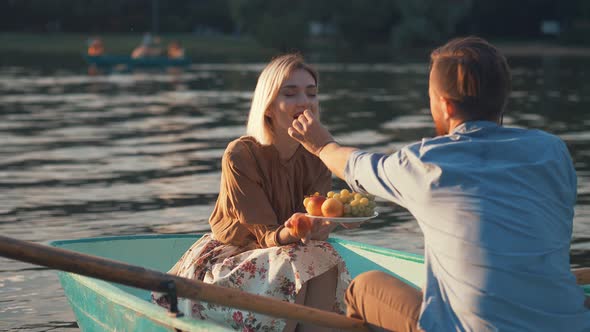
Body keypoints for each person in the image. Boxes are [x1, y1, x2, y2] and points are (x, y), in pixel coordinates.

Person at [288, 36, 590, 331]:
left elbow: (349, 162)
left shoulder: (426, 164)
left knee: (363, 286)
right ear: (502, 99)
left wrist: (318, 143)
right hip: (571, 323)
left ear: (445, 106)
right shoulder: (553, 152)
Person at [153, 54, 350, 332]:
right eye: (291, 93)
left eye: (312, 93)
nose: (305, 101)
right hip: (233, 257)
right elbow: (266, 236)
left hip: (292, 253)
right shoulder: (241, 155)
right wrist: (297, 232)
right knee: (296, 262)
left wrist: (324, 225)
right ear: (268, 107)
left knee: (322, 257)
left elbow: (314, 226)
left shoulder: (318, 158)